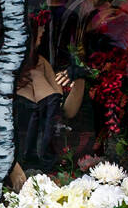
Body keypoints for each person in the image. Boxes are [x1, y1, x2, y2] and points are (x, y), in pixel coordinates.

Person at [14, 9, 84, 174]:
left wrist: (80, 78)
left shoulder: (42, 63)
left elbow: (67, 111)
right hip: (12, 168)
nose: (44, 31)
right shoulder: (0, 68)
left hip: (48, 166)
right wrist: (11, 167)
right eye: (39, 26)